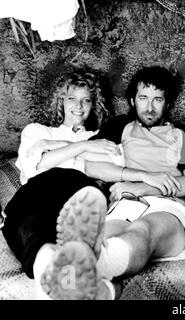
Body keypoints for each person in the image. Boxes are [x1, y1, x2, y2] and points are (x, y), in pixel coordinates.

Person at [36, 66, 185, 300]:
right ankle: (84, 283)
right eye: (143, 98)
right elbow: (90, 165)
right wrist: (134, 175)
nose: (150, 107)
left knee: (142, 231)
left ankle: (75, 272)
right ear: (133, 100)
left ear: (167, 102)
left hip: (168, 207)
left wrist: (140, 187)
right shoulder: (119, 125)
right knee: (99, 239)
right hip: (124, 205)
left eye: (157, 99)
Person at [2, 67, 117, 280]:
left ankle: (61, 268)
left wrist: (55, 148)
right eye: (72, 98)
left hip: (79, 194)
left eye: (86, 100)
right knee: (31, 226)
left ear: (95, 105)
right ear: (61, 101)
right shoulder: (37, 131)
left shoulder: (100, 137)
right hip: (37, 193)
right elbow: (32, 167)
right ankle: (46, 266)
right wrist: (81, 148)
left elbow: (113, 168)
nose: (78, 106)